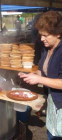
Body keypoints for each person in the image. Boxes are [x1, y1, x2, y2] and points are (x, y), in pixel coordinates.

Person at [19, 10, 62, 140]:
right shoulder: (47, 48)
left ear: (58, 34)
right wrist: (32, 74)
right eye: (40, 35)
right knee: (51, 134)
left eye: (45, 35)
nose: (41, 39)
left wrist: (39, 79)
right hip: (53, 101)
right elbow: (45, 71)